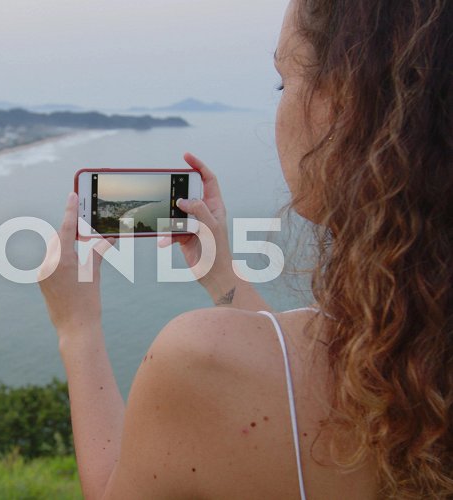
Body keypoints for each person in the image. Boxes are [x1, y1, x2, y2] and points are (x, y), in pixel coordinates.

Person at [38, 0, 452, 497]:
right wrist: (222, 276)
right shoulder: (415, 349)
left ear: (344, 105)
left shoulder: (196, 360)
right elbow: (285, 372)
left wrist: (77, 330)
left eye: (283, 81)